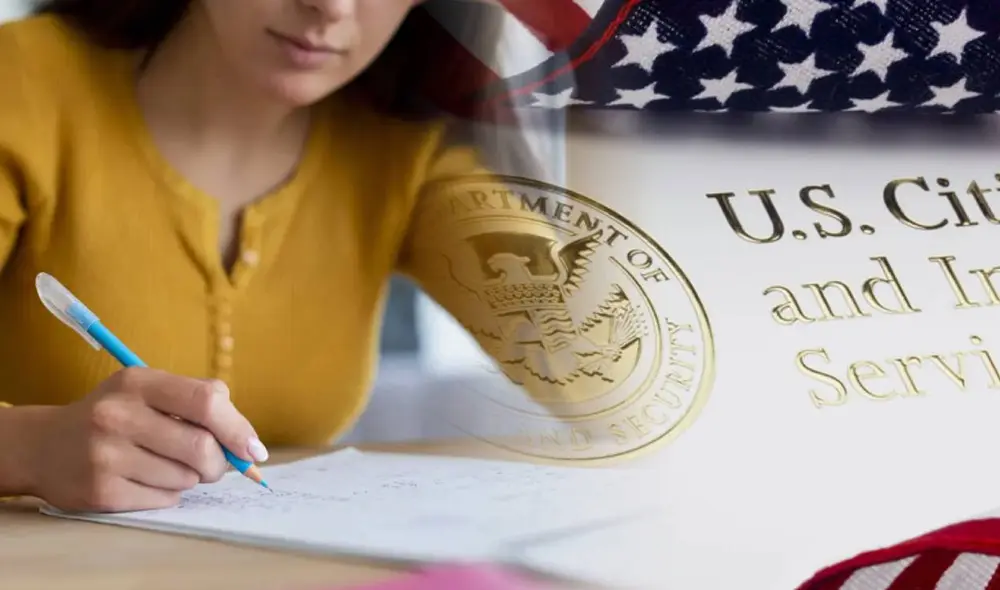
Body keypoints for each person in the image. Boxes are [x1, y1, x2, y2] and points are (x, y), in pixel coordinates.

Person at [0, 0, 545, 513]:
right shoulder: (22, 83)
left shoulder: (408, 144)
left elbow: (600, 352)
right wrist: (29, 448)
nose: (331, 7)